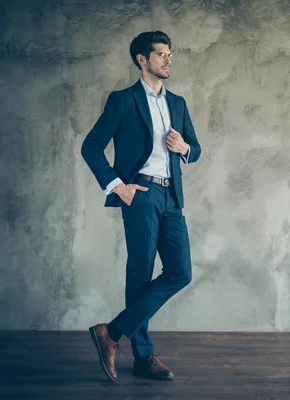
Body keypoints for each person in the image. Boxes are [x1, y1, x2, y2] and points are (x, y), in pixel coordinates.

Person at [81, 30, 201, 382]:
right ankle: (144, 357)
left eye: (170, 54)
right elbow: (91, 146)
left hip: (171, 198)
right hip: (141, 195)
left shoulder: (177, 103)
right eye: (162, 54)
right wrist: (118, 186)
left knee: (181, 271)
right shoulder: (123, 100)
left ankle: (111, 333)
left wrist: (184, 148)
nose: (168, 60)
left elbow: (195, 148)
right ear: (142, 60)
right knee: (140, 275)